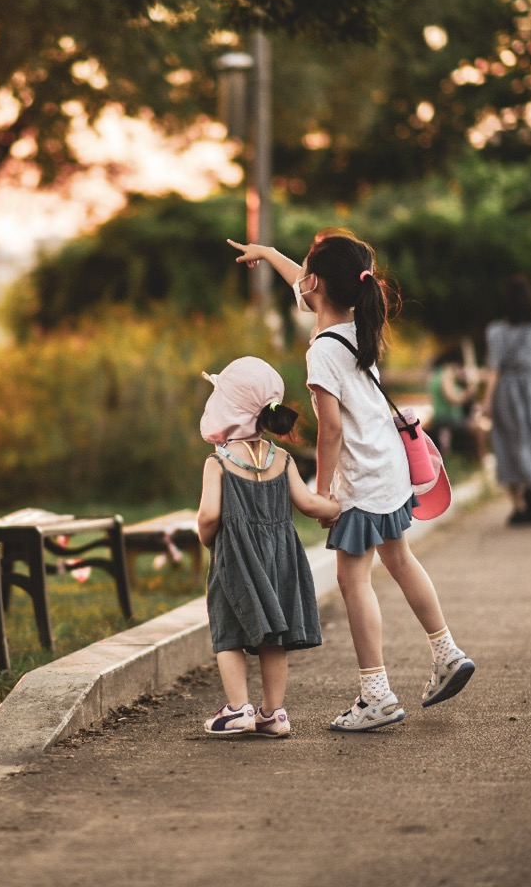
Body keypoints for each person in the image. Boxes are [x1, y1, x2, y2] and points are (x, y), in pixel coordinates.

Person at [228, 230, 475, 732]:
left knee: (352, 580)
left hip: (359, 480)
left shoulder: (322, 349)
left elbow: (331, 430)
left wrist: (322, 494)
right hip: (389, 469)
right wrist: (270, 254)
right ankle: (447, 652)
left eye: (305, 273)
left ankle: (376, 695)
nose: (300, 279)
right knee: (401, 560)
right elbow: (305, 281)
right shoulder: (359, 327)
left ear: (315, 284)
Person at [196, 357, 340, 738]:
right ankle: (273, 714)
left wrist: (206, 538)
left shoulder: (218, 463)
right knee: (273, 636)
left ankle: (237, 709)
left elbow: (209, 515)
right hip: (279, 561)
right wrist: (336, 509)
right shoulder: (282, 459)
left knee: (229, 631)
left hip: (235, 560)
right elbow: (307, 504)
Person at [480, 276, 531, 526]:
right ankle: (530, 492)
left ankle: (519, 504)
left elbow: (493, 370)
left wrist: (486, 401)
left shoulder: (496, 331)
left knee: (507, 445)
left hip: (505, 392)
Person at [427, 346, 485, 463]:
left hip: (439, 417)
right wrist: (469, 392)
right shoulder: (446, 374)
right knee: (479, 427)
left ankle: (472, 459)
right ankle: (480, 459)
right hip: (448, 418)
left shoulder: (436, 374)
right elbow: (452, 398)